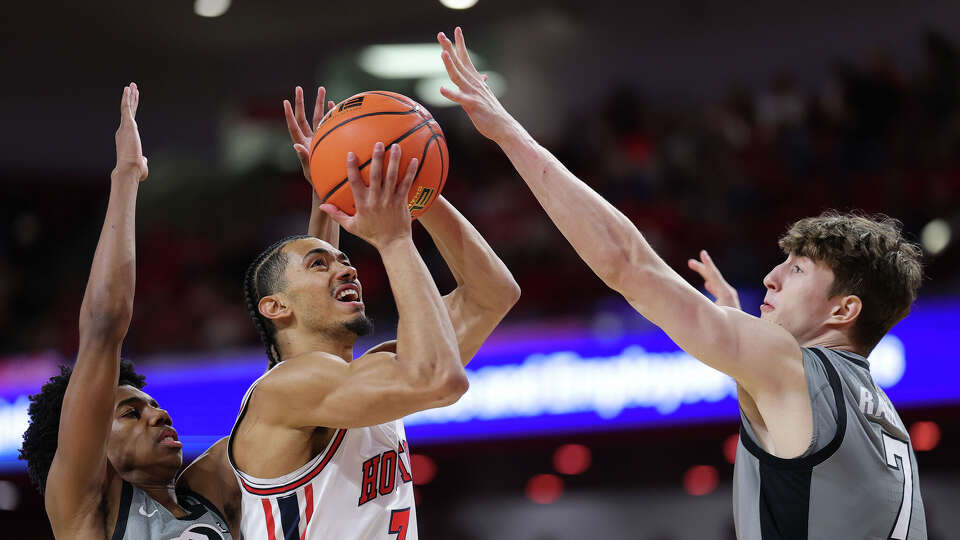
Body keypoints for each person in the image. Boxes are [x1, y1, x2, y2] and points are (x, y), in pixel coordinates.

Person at [437, 27, 927, 540]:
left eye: (798, 269)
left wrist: (509, 134)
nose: (772, 276)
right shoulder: (883, 416)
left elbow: (628, 264)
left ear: (844, 311)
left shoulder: (791, 368)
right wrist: (736, 331)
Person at [227, 86, 520, 539]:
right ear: (275, 307)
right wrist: (394, 238)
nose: (346, 270)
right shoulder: (284, 390)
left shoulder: (369, 378)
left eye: (345, 261)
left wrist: (406, 180)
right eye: (320, 265)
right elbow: (439, 380)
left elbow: (492, 294)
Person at [19, 84, 240, 539]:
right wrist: (125, 176)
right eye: (131, 414)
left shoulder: (212, 493)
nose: (159, 416)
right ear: (92, 447)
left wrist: (326, 200)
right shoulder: (86, 511)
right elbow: (103, 329)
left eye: (151, 407)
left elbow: (291, 379)